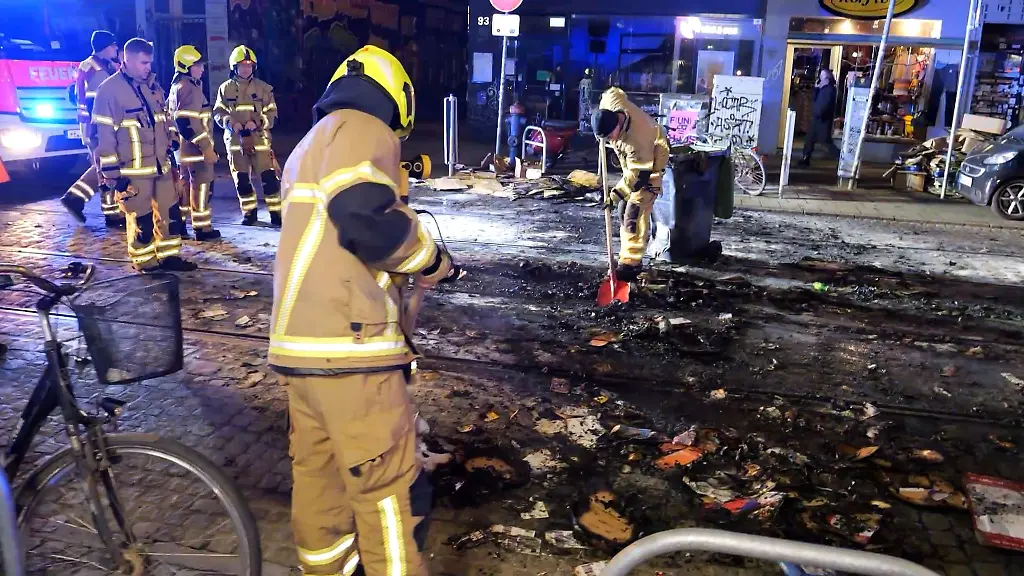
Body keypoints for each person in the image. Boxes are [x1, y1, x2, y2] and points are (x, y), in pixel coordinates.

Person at [270, 45, 455, 576]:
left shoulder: (311, 142)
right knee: (391, 496)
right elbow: (362, 217)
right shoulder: (366, 128)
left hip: (300, 350)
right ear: (395, 98)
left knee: (320, 488)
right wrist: (431, 258)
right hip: (351, 350)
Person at [91, 38, 197, 272]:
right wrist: (111, 174)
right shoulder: (109, 91)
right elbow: (104, 135)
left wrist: (173, 141)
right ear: (125, 60)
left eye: (149, 63)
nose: (148, 68)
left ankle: (169, 256)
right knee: (142, 219)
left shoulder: (153, 87)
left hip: (161, 166)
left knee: (170, 215)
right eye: (143, 63)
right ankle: (144, 261)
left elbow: (166, 117)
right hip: (133, 171)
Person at [590, 87, 670, 281]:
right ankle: (634, 247)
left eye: (609, 136)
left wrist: (614, 195)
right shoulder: (611, 106)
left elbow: (637, 178)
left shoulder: (637, 141)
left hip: (650, 167)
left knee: (633, 214)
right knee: (622, 209)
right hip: (633, 167)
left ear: (617, 125)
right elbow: (613, 92)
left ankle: (631, 264)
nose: (610, 140)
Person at [61, 30, 126, 227]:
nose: (116, 48)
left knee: (102, 166)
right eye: (114, 45)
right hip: (96, 126)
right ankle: (107, 212)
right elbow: (96, 102)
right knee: (106, 166)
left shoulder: (97, 66)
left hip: (93, 125)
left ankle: (78, 199)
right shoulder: (97, 70)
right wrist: (100, 130)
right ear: (105, 47)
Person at [213, 45, 281, 226]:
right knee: (242, 180)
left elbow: (272, 114)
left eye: (249, 66)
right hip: (235, 142)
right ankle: (249, 213)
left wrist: (258, 122)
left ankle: (276, 213)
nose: (246, 69)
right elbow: (218, 112)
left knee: (269, 179)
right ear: (234, 67)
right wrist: (230, 123)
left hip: (260, 140)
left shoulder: (264, 89)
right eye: (242, 65)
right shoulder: (225, 89)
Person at [169, 45, 221, 241]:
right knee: (202, 187)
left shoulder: (177, 87)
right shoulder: (190, 88)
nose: (202, 69)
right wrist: (206, 147)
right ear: (186, 67)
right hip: (196, 151)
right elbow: (186, 123)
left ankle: (181, 224)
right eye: (197, 65)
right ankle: (202, 227)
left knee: (184, 187)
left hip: (183, 152)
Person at [799, 68, 841, 166]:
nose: (820, 79)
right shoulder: (822, 89)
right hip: (817, 119)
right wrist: (817, 88)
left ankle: (839, 157)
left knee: (825, 141)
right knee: (809, 139)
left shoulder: (830, 90)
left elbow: (825, 105)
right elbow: (815, 100)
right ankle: (806, 158)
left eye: (822, 77)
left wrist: (819, 113)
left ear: (827, 79)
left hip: (823, 120)